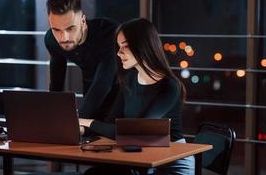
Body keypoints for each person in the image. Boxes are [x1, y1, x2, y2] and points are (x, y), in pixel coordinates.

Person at [79, 18, 195, 175]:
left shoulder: (169, 86)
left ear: (143, 46)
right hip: (142, 158)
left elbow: (138, 132)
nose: (119, 53)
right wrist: (83, 129)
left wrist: (88, 122)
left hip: (171, 163)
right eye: (119, 47)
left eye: (125, 46)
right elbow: (111, 122)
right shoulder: (129, 80)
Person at [45, 0, 119, 120]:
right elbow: (56, 82)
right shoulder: (51, 39)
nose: (64, 37)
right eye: (56, 30)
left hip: (124, 91)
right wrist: (51, 117)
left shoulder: (109, 33)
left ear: (83, 21)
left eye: (70, 28)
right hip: (91, 85)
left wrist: (77, 122)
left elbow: (103, 83)